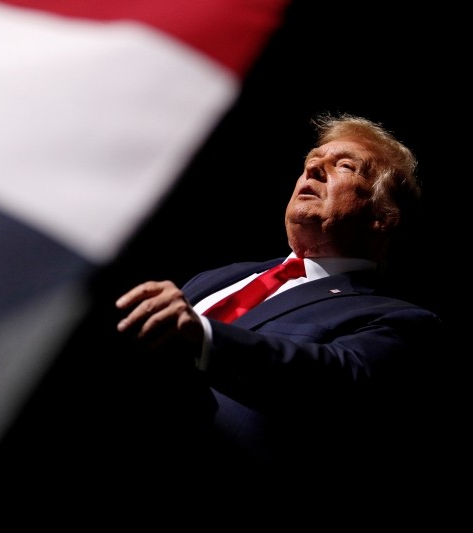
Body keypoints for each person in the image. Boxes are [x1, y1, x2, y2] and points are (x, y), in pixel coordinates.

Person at [114, 112, 446, 521]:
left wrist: (204, 337)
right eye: (312, 160)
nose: (313, 168)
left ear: (383, 217)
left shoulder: (397, 319)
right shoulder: (220, 276)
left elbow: (336, 378)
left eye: (343, 165)